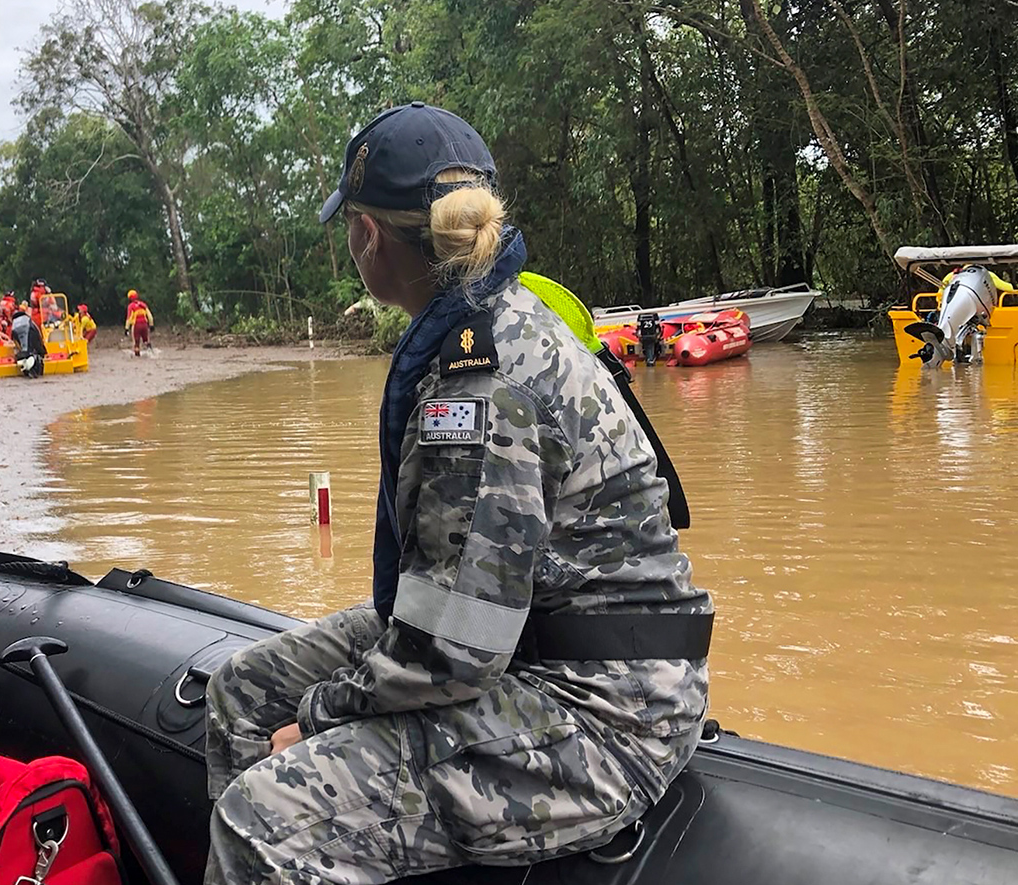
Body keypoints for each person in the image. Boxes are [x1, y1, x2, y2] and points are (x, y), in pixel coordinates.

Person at [203, 103, 713, 884]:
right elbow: (451, 616)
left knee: (262, 815)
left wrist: (316, 719)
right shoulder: (484, 323)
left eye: (350, 225)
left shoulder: (479, 384)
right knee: (241, 690)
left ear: (368, 235)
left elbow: (453, 651)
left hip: (607, 710)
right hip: (524, 643)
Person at [124, 290, 153, 356]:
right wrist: (151, 325)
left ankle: (137, 357)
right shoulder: (143, 305)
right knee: (146, 341)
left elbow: (129, 318)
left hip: (136, 326)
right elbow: (150, 316)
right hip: (145, 325)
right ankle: (151, 353)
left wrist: (126, 328)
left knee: (136, 343)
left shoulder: (131, 306)